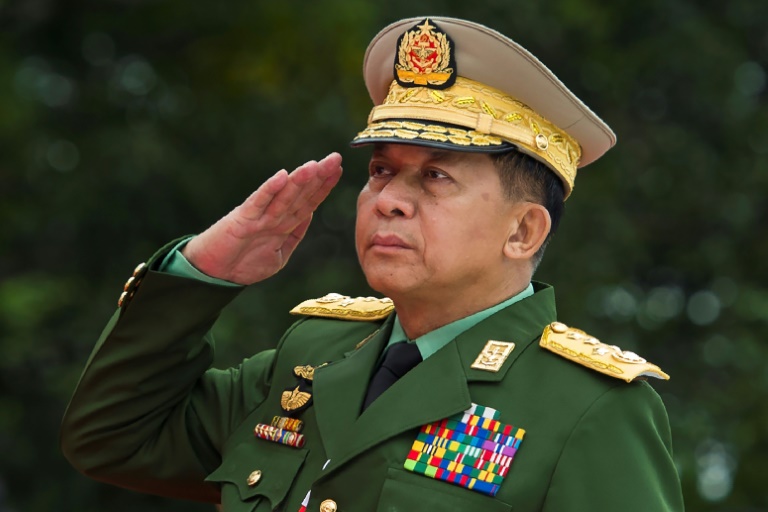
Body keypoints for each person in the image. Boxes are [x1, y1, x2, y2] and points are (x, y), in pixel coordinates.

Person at [61, 16, 684, 512]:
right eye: (382, 170)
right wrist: (201, 275)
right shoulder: (314, 354)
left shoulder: (591, 408)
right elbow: (112, 438)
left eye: (435, 177)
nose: (388, 200)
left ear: (523, 231)